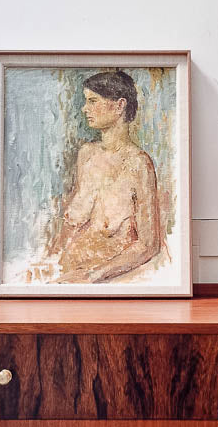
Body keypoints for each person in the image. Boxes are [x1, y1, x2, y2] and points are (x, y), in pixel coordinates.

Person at [46, 71, 164, 283]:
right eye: (86, 101)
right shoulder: (87, 154)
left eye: (93, 101)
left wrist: (92, 276)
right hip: (67, 269)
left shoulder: (139, 164)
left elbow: (149, 244)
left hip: (106, 279)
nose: (85, 108)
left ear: (119, 106)